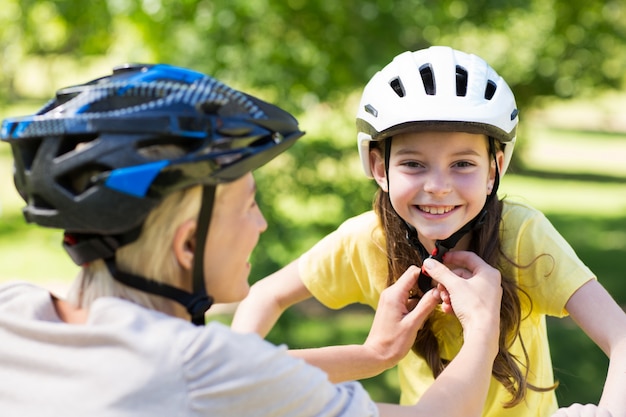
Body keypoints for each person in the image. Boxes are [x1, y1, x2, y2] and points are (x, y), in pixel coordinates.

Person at [0, 63, 506, 416]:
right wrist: (482, 325)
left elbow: (242, 368)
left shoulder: (17, 311)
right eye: (248, 205)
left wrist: (371, 356)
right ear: (188, 245)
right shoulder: (202, 370)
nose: (261, 224)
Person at [232, 46, 626, 417]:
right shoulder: (369, 241)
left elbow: (620, 337)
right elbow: (265, 295)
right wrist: (233, 369)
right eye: (414, 164)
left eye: (462, 164)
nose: (438, 185)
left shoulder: (521, 235)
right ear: (379, 167)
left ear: (494, 170)